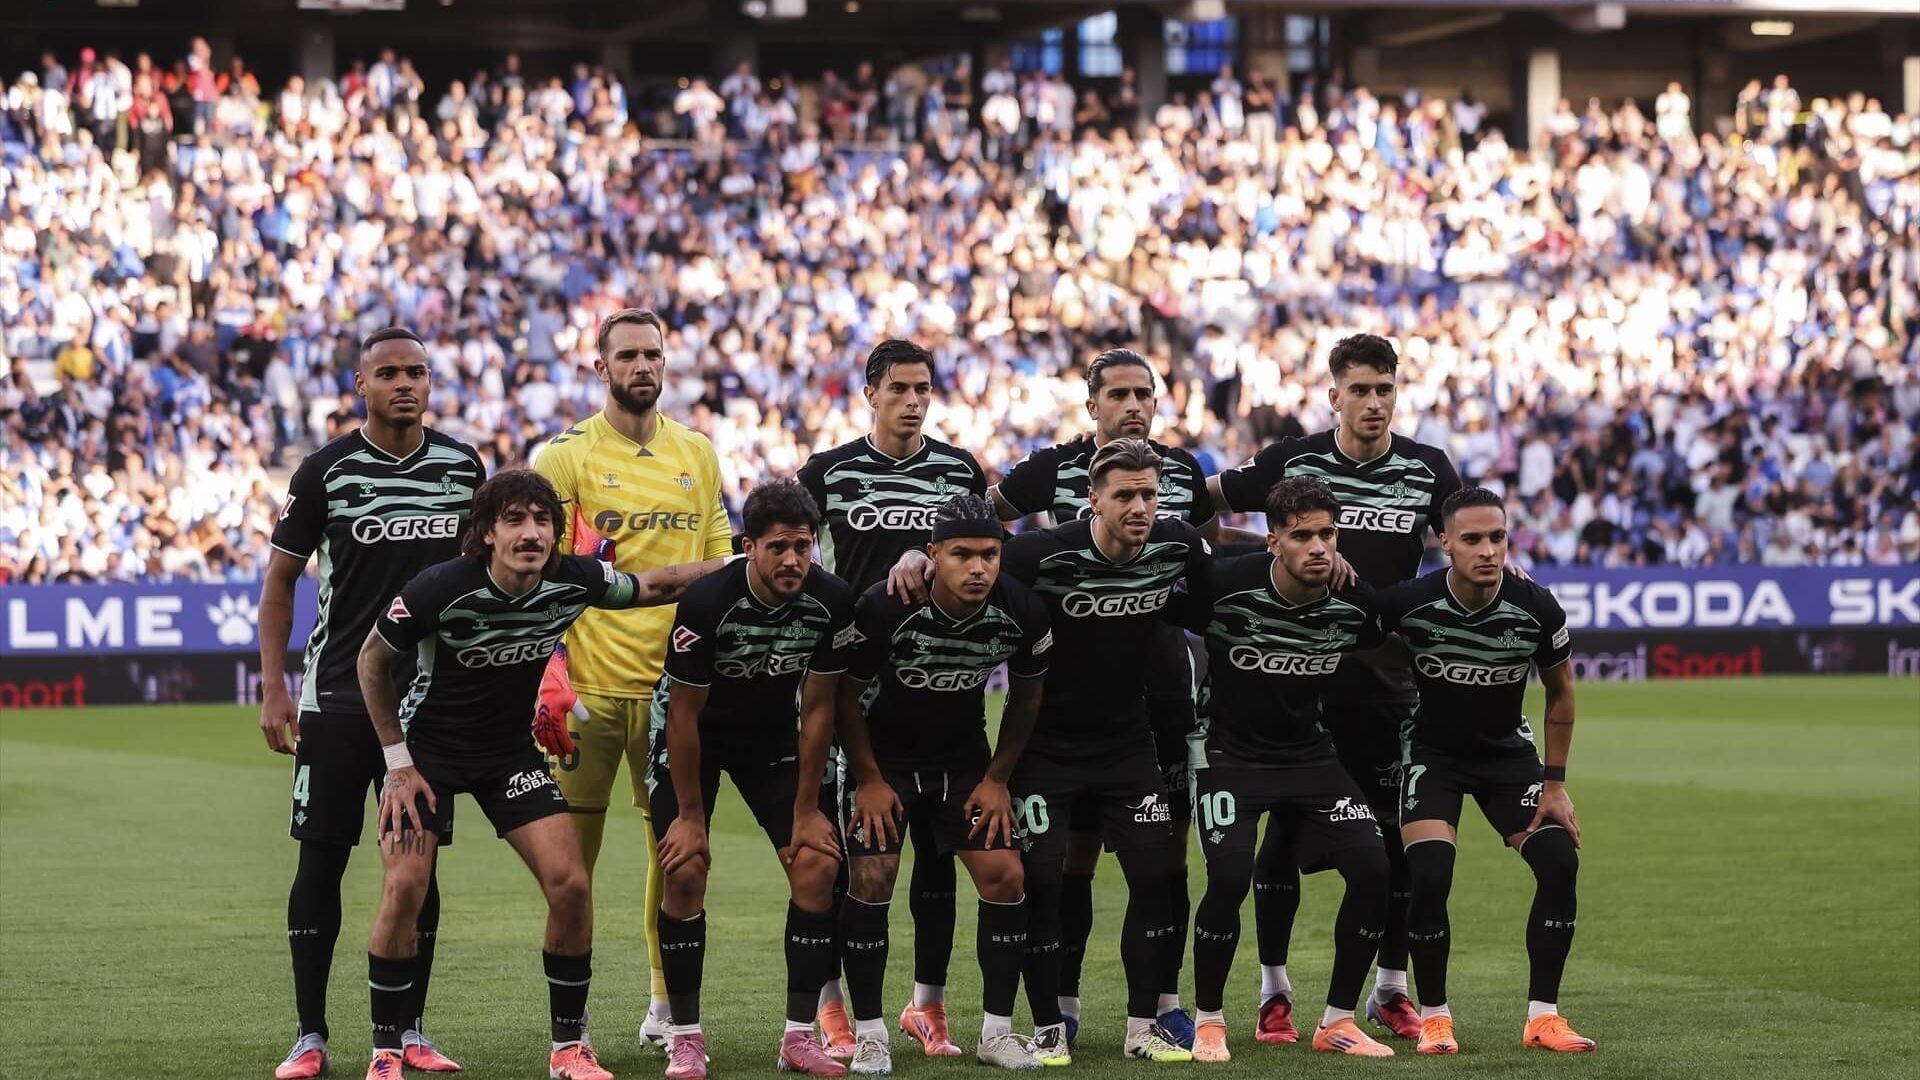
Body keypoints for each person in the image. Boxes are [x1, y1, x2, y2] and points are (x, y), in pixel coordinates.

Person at [355, 469, 730, 1080]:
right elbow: (371, 663)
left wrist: (739, 562)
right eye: (515, 521)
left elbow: (655, 585)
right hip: (427, 756)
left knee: (571, 884)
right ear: (485, 534)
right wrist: (397, 764)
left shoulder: (574, 580)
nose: (531, 533)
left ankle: (567, 1050)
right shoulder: (438, 588)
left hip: (508, 754)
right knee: (405, 885)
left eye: (543, 521)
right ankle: (385, 1052)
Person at [973, 348, 1255, 1047]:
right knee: (1056, 869)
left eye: (1144, 393)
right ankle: (1052, 1016)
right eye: (1119, 393)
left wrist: (1293, 554)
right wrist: (928, 553)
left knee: (1161, 866)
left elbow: (1210, 572)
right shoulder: (1047, 514)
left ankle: (1155, 1012)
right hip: (1050, 724)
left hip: (1150, 713)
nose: (1133, 404)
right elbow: (978, 541)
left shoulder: (1179, 502)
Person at [1207, 333, 1461, 1043]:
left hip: (1388, 687)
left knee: (1390, 841)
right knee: (1280, 840)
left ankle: (1390, 989)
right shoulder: (1293, 460)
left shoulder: (1428, 468)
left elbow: (1465, 547)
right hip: (1300, 690)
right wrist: (1244, 560)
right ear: (1335, 395)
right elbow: (1203, 505)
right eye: (1360, 390)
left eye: (1385, 389)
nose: (1374, 403)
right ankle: (1274, 992)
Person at [257, 327, 483, 1080]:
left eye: (416, 371)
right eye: (388, 373)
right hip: (335, 699)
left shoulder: (462, 468)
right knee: (320, 861)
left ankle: (411, 1028)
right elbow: (280, 581)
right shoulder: (325, 472)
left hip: (425, 706)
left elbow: (479, 585)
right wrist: (274, 685)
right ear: (361, 384)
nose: (405, 385)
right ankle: (310, 1035)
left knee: (420, 871)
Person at [532, 308, 735, 1049]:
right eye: (628, 355)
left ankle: (663, 1005)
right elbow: (538, 572)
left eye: (653, 354)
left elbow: (722, 563)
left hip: (671, 694)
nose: (642, 366)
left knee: (675, 854)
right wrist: (547, 671)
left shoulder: (698, 451)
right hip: (583, 695)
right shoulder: (563, 458)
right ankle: (572, 1022)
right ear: (601, 368)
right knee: (568, 872)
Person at [987, 438, 1213, 1064]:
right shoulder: (1039, 554)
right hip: (1046, 746)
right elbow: (970, 563)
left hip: (1127, 744)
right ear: (1093, 499)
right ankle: (1049, 1029)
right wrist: (912, 562)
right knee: (1042, 883)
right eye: (1125, 495)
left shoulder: (1177, 545)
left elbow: (1223, 570)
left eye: (1149, 493)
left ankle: (1143, 1029)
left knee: (1154, 878)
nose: (1140, 506)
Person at [798, 339, 989, 1058]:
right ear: (870, 393)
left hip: (944, 690)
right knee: (850, 861)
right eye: (900, 388)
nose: (913, 401)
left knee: (939, 856)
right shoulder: (829, 472)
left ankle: (927, 1007)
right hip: (854, 690)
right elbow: (787, 550)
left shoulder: (959, 470)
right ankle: (833, 1007)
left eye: (924, 389)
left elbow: (983, 555)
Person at [1175, 478, 1395, 1061]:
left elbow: (1404, 621)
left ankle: (1338, 1022)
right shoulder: (1222, 587)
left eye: (1327, 533)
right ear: (1273, 541)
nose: (1318, 547)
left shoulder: (1355, 602)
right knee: (1227, 879)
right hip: (1227, 756)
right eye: (1302, 536)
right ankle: (1210, 1021)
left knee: (1375, 869)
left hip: (1310, 757)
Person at [646, 480, 857, 1079]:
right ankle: (685, 1036)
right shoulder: (709, 601)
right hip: (693, 739)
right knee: (684, 869)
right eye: (778, 548)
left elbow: (819, 708)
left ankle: (798, 1035)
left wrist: (809, 807)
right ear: (749, 546)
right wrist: (689, 817)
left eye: (804, 546)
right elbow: (682, 715)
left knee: (817, 861)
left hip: (770, 739)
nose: (792, 560)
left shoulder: (831, 599)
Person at [834, 495, 1052, 1074]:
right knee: (874, 877)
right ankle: (872, 1033)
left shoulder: (1022, 611)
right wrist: (869, 779)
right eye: (962, 555)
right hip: (883, 761)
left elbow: (1028, 698)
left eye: (989, 554)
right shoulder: (885, 608)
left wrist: (998, 778)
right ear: (933, 556)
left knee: (1006, 875)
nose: (978, 568)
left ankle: (997, 1034)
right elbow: (844, 699)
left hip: (963, 762)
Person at [1376, 487, 1591, 1055]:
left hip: (1506, 758)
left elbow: (1562, 695)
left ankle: (1543, 1017)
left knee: (1559, 862)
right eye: (1471, 539)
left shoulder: (1535, 607)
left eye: (1497, 537)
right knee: (1430, 876)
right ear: (1443, 542)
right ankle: (1436, 1016)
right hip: (1433, 757)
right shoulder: (1409, 603)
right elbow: (1352, 639)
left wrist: (1555, 784)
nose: (1488, 550)